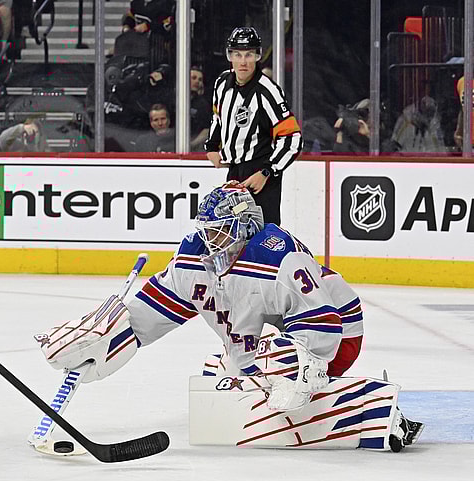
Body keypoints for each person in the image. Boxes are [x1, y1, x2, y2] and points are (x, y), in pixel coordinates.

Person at [39, 182, 424, 452]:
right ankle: (286, 387)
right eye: (206, 231)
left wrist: (304, 370)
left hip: (335, 330)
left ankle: (370, 410)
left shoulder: (278, 259)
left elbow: (323, 319)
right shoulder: (195, 257)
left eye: (220, 232)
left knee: (280, 371)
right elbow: (156, 308)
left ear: (243, 227)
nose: (210, 241)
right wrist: (108, 336)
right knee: (224, 375)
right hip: (263, 331)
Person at [204, 27, 302, 226]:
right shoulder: (222, 83)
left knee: (264, 233)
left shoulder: (268, 92)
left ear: (258, 56)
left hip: (260, 175)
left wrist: (267, 171)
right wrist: (212, 146)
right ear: (229, 56)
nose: (243, 61)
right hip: (234, 173)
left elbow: (292, 138)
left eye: (249, 54)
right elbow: (218, 116)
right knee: (232, 230)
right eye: (238, 54)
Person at [189, 65, 211, 152]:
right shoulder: (175, 100)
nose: (197, 81)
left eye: (200, 79)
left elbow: (207, 128)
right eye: (193, 78)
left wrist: (192, 144)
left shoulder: (202, 104)